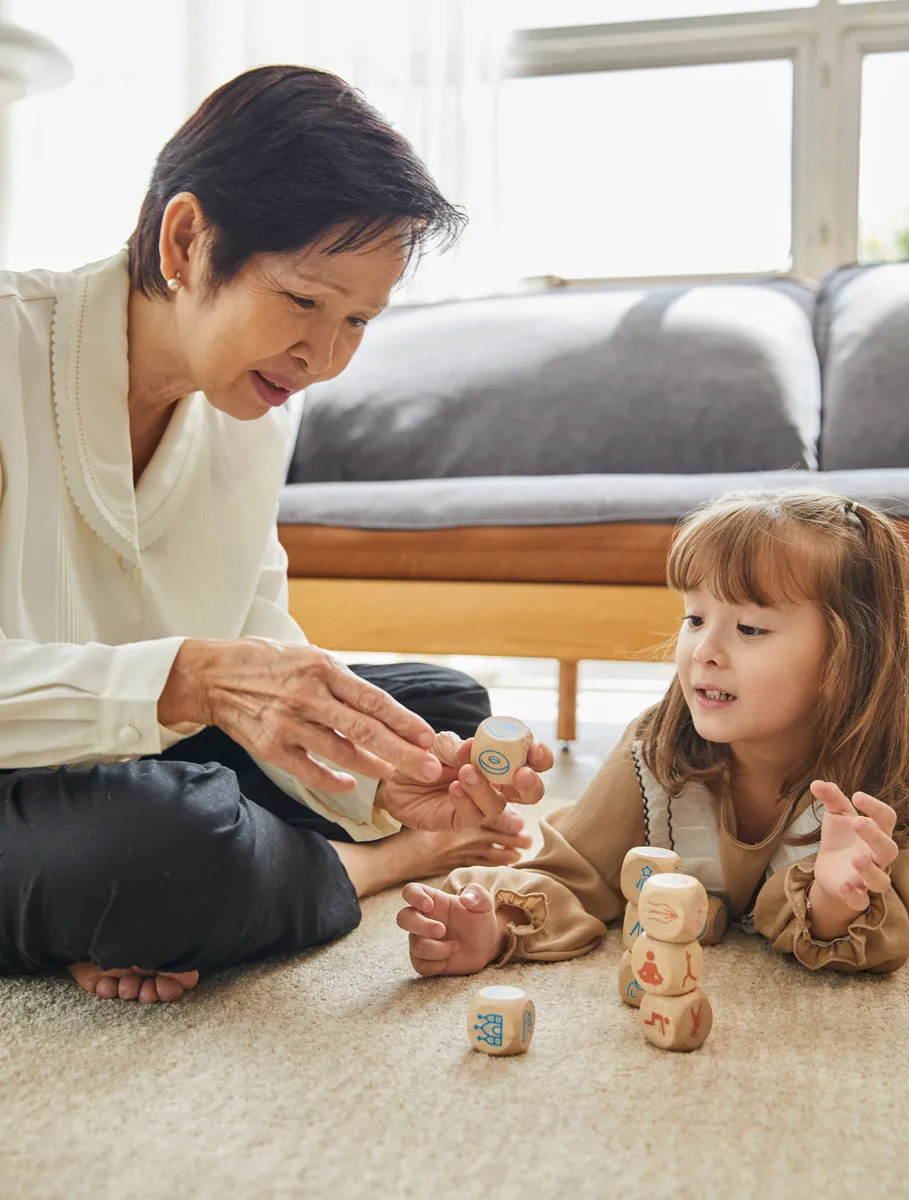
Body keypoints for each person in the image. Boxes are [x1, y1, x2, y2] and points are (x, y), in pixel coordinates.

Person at [0, 64, 553, 1004]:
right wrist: (190, 678)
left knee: (439, 714)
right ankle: (358, 870)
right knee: (171, 850)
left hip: (138, 755)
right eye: (304, 301)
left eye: (359, 322)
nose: (325, 358)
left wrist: (377, 783)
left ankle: (193, 895)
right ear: (185, 239)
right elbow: (216, 679)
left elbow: (262, 646)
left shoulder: (259, 406)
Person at [398, 490, 909, 978]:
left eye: (750, 628)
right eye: (694, 618)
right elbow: (579, 872)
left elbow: (880, 938)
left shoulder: (892, 760)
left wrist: (833, 898)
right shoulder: (658, 745)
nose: (705, 651)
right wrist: (495, 924)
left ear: (845, 659)